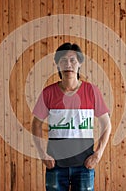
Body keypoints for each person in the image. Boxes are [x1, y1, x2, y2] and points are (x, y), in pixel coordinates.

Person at [32, 42, 112, 191]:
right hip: (55, 167)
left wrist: (98, 154)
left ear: (80, 63)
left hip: (84, 166)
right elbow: (35, 124)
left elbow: (106, 124)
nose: (68, 64)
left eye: (72, 60)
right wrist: (43, 154)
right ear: (57, 64)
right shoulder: (48, 93)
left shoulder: (92, 91)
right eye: (63, 60)